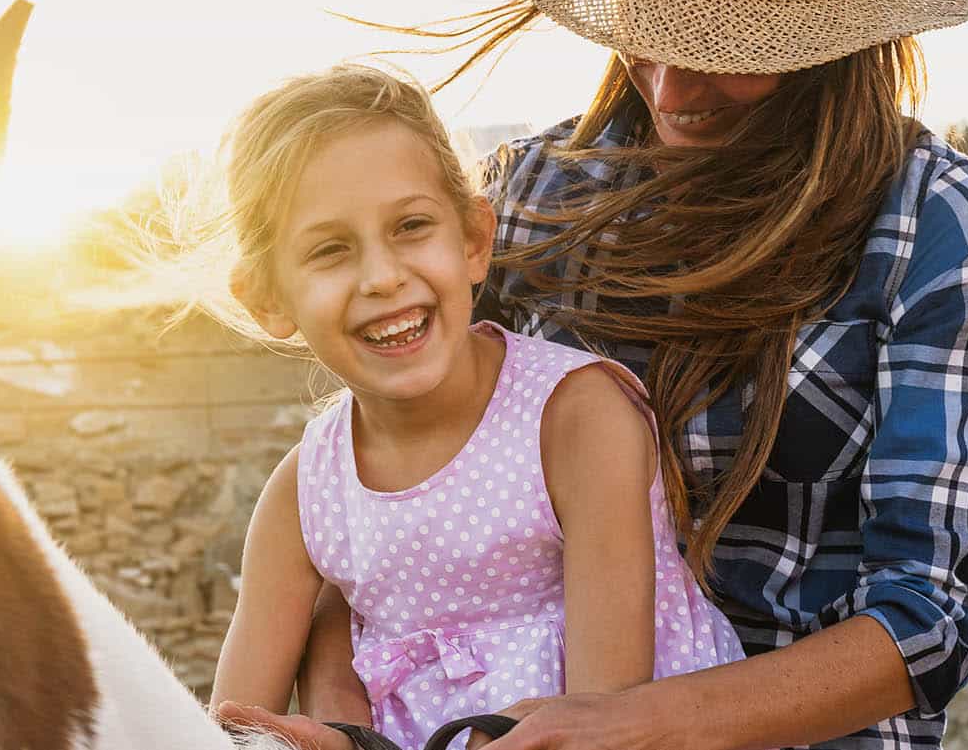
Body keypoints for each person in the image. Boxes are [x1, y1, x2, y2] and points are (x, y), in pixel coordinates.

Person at [217, 0, 968, 749]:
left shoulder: (939, 228)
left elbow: (922, 626)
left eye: (730, 48)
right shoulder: (533, 194)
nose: (666, 89)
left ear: (837, 38)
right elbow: (398, 508)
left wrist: (619, 726)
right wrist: (343, 707)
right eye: (651, 21)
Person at [200, 65, 744, 750]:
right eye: (330, 250)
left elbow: (605, 715)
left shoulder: (575, 417)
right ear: (268, 299)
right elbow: (232, 728)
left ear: (474, 241)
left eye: (410, 225)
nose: (383, 276)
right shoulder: (303, 496)